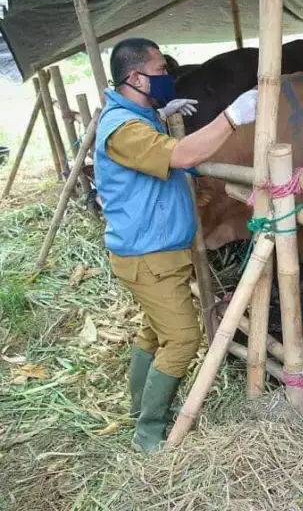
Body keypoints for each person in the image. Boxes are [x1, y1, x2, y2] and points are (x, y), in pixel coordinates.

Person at [95, 37, 257, 453]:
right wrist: (232, 118)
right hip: (148, 257)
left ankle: (139, 410)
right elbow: (182, 156)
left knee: (155, 333)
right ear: (135, 77)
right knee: (183, 339)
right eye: (161, 70)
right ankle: (149, 432)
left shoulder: (137, 117)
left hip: (157, 252)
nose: (168, 76)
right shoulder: (124, 128)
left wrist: (159, 116)